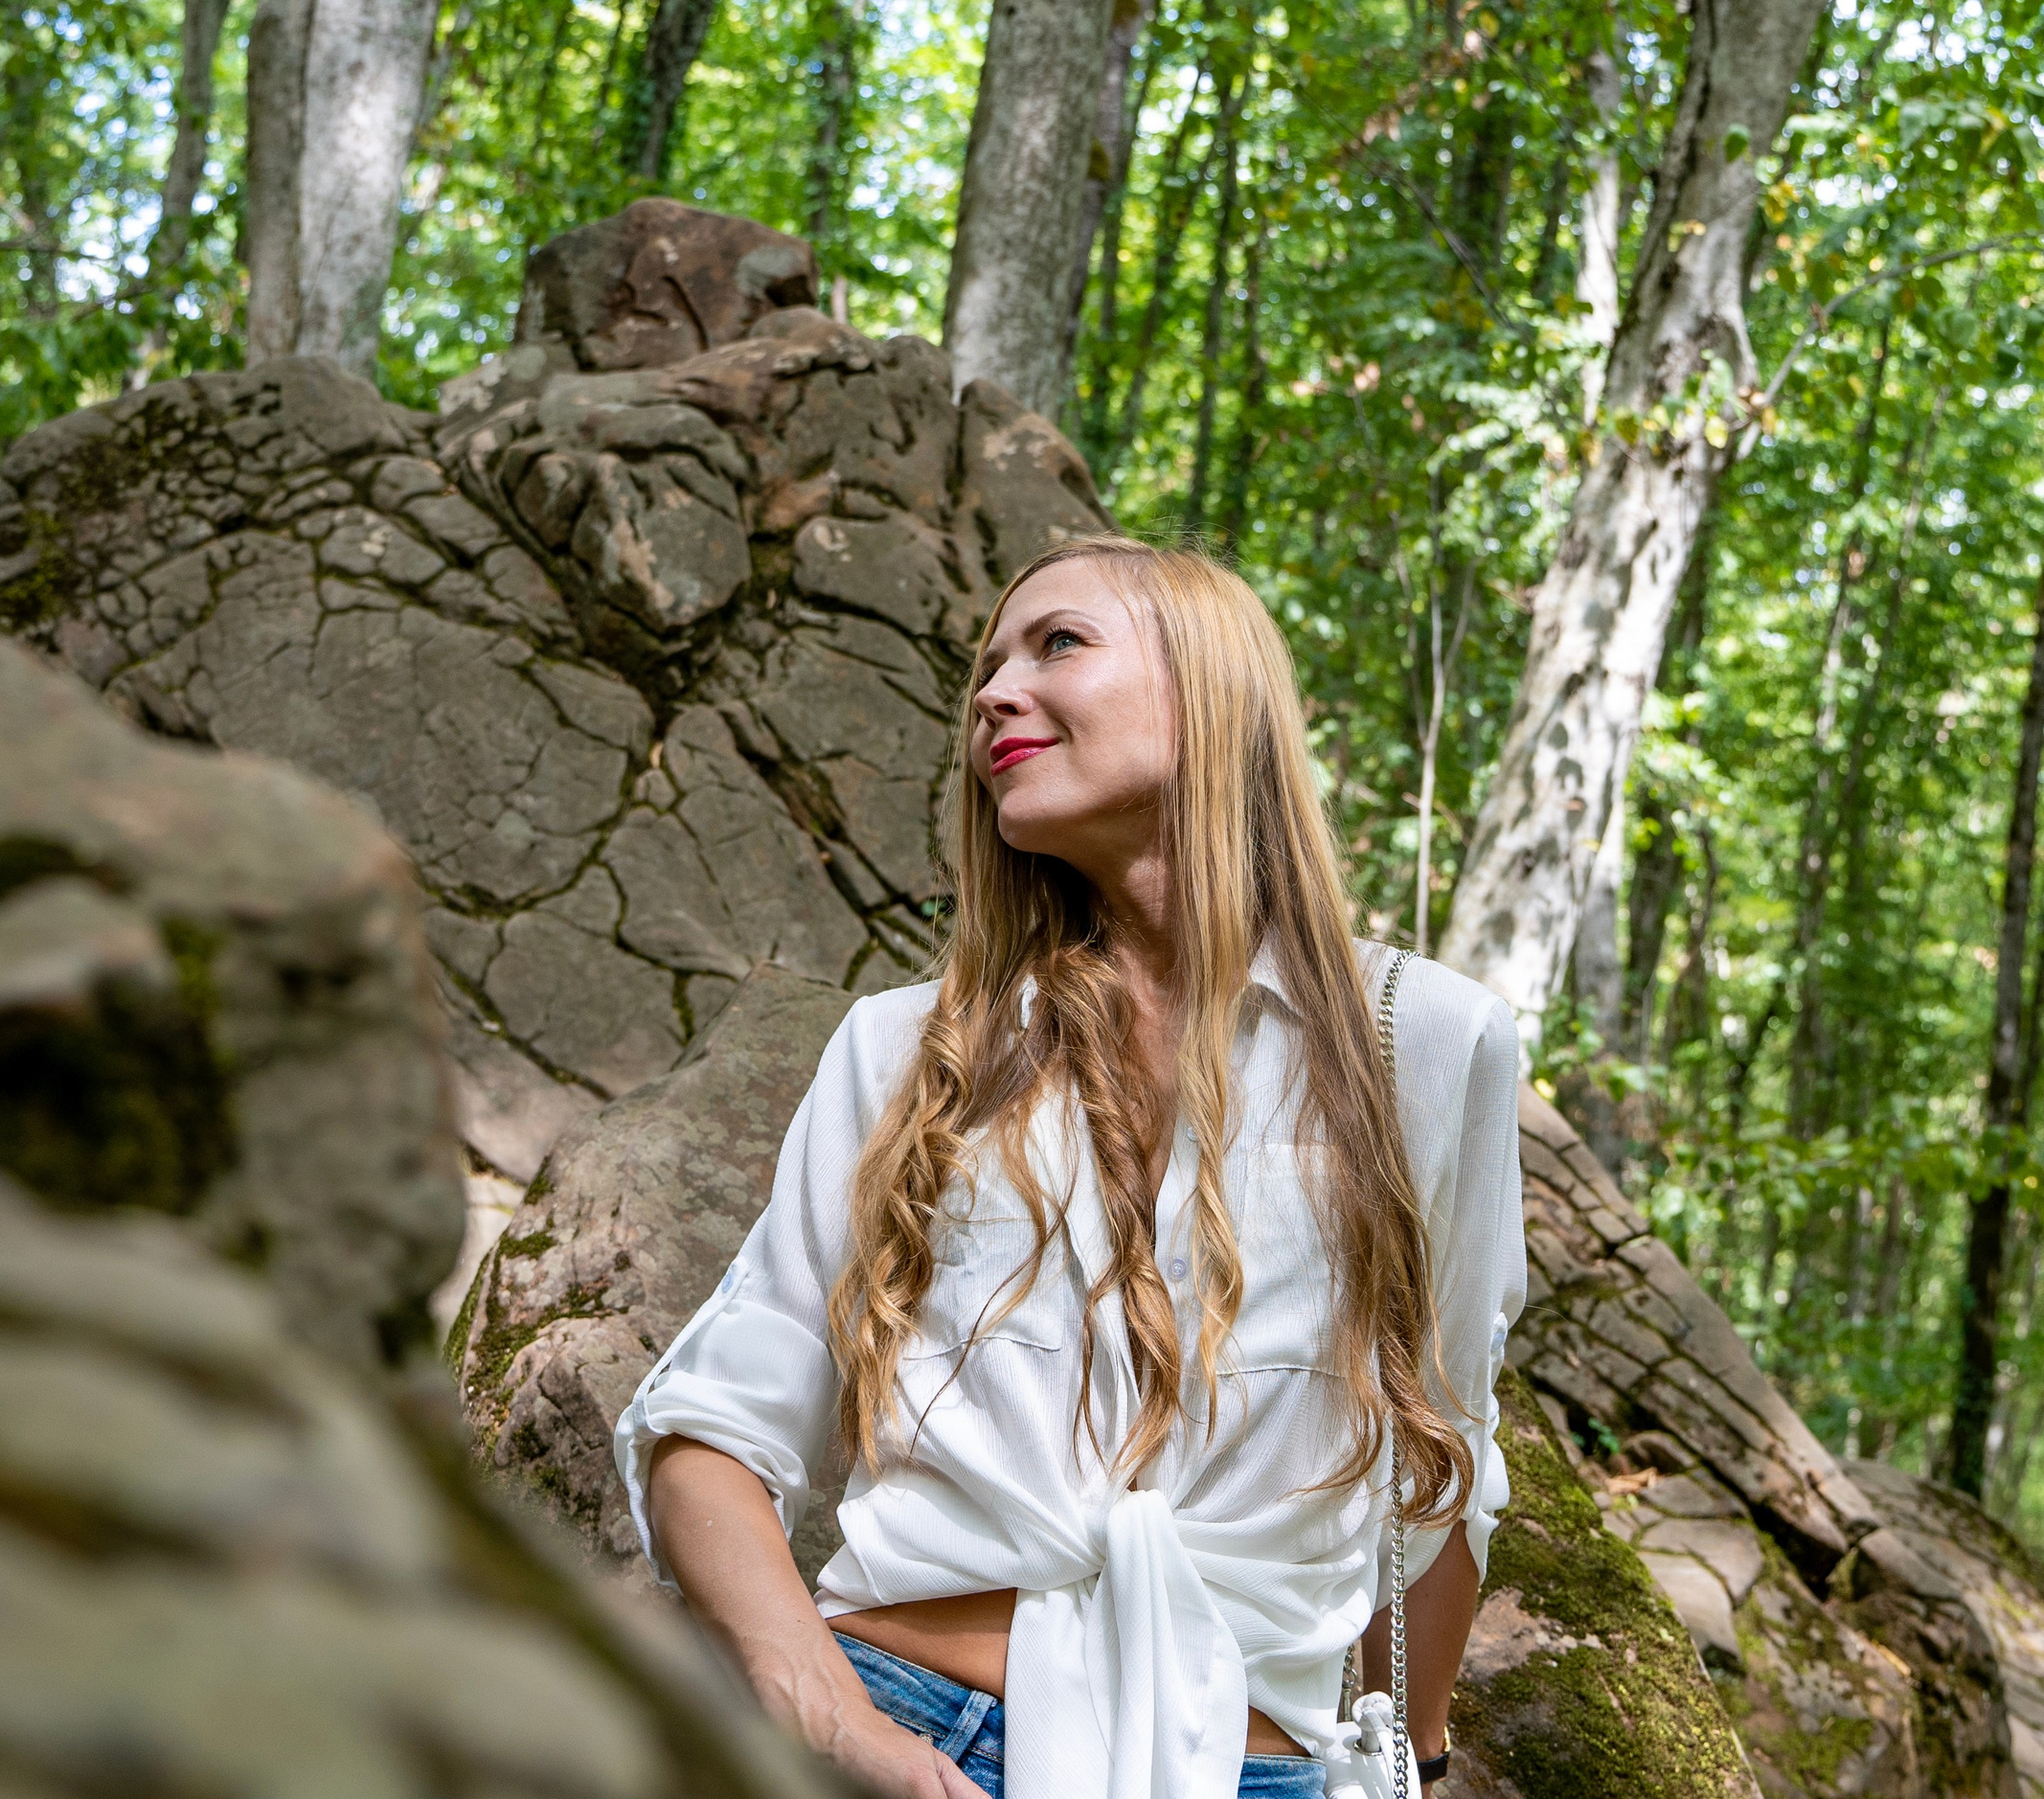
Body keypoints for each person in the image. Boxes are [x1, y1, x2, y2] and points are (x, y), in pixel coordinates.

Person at [613, 537, 1525, 1799]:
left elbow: (1441, 1466)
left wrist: (1415, 1760)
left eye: (1059, 644)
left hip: (1257, 1771)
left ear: (1211, 690)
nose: (993, 692)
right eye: (986, 666)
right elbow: (709, 1427)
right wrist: (836, 1728)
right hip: (904, 1725)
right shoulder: (903, 1049)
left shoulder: (1422, 1041)